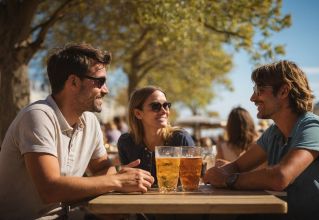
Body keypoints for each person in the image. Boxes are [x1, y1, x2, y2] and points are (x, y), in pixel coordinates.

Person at [0, 43, 154, 219]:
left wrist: (119, 174)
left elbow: (102, 169)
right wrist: (117, 180)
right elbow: (50, 190)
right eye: (100, 81)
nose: (106, 90)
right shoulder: (37, 116)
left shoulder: (90, 122)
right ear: (73, 82)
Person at [204, 60, 319, 220]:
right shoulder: (274, 132)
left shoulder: (313, 127)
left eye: (259, 90)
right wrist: (221, 172)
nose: (253, 98)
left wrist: (228, 179)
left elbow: (280, 177)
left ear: (284, 91)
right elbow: (239, 165)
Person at [117, 86, 194, 186]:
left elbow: (194, 180)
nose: (164, 111)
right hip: (139, 200)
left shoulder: (180, 138)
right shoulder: (126, 142)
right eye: (155, 106)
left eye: (166, 105)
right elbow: (126, 181)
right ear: (138, 113)